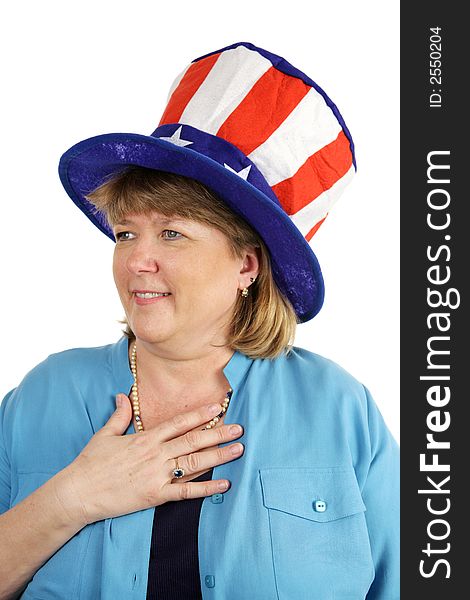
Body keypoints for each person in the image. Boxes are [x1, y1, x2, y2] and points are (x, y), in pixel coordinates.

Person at [0, 41, 399, 599]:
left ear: (246, 263)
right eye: (125, 233)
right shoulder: (45, 395)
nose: (137, 259)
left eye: (171, 233)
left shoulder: (337, 407)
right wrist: (72, 498)